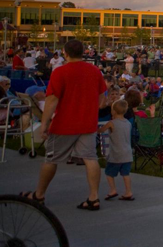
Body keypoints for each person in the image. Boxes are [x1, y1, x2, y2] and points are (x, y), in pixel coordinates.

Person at [21, 40, 107, 210]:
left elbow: (52, 100)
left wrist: (45, 123)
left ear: (65, 53)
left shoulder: (60, 72)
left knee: (51, 159)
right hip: (88, 123)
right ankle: (94, 197)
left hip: (64, 124)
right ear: (83, 52)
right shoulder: (95, 71)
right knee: (90, 158)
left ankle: (39, 195)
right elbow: (102, 99)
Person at [98, 99, 134, 201]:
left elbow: (100, 131)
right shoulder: (128, 123)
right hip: (127, 154)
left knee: (109, 173)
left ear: (113, 111)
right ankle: (128, 191)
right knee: (125, 174)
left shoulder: (111, 123)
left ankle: (113, 190)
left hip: (116, 154)